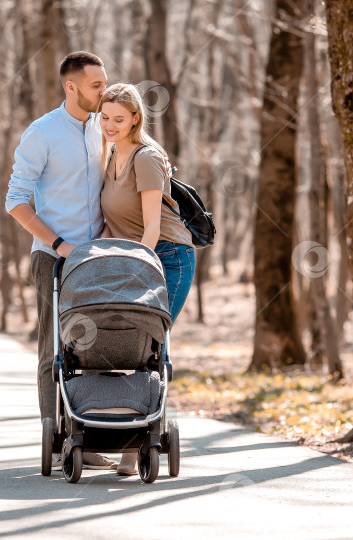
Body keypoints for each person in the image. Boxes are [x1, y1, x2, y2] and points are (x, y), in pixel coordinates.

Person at [5, 51, 118, 472]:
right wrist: (58, 243)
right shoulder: (42, 133)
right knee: (54, 351)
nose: (104, 91)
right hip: (53, 258)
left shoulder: (104, 128)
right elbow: (15, 201)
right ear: (71, 87)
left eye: (104, 83)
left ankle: (90, 437)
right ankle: (55, 439)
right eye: (96, 85)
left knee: (96, 347)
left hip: (99, 258)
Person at [98, 83, 196, 474]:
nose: (109, 125)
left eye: (118, 119)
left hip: (167, 258)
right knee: (125, 346)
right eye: (104, 117)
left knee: (149, 349)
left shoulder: (146, 158)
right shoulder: (111, 156)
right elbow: (113, 222)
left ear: (136, 118)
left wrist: (138, 265)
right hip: (135, 258)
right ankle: (123, 431)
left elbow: (153, 226)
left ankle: (137, 444)